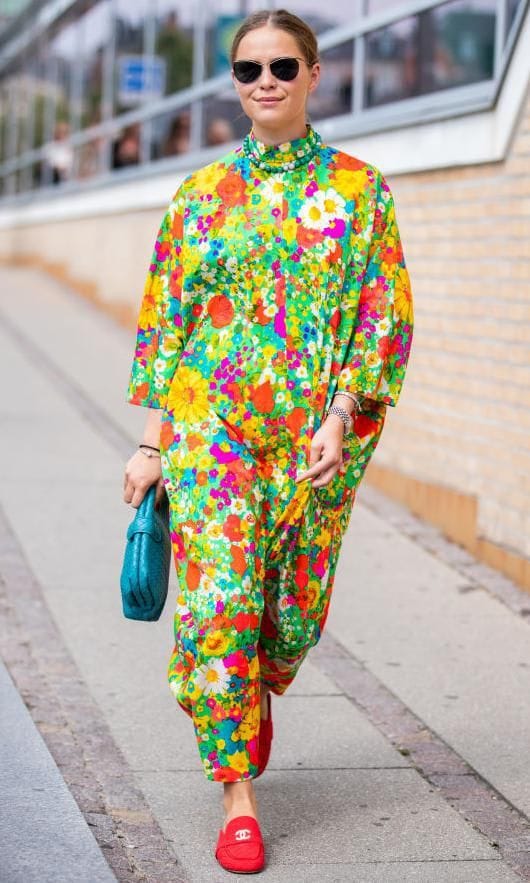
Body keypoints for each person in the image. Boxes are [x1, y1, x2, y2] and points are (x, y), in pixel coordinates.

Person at [123, 7, 413, 875]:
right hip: (213, 432)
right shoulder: (199, 197)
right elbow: (165, 325)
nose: (266, 83)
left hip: (314, 440)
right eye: (248, 70)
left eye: (283, 66)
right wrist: (151, 445)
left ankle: (256, 685)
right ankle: (237, 791)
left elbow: (383, 316)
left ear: (315, 74)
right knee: (220, 610)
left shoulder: (361, 191)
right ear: (234, 83)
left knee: (285, 620)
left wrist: (341, 414)